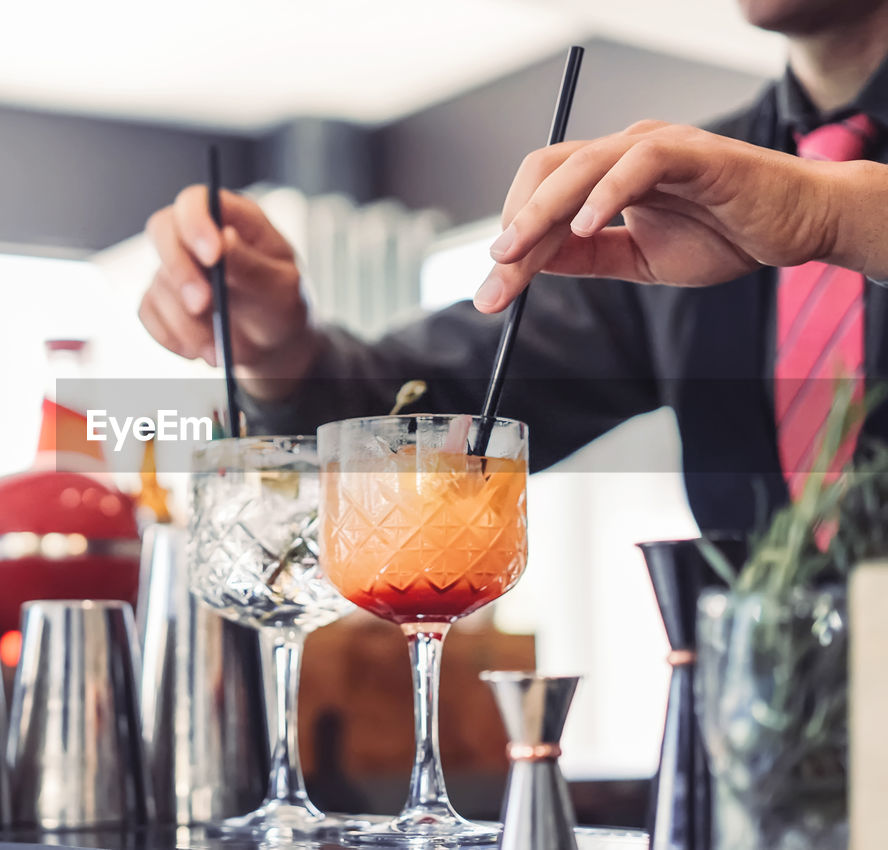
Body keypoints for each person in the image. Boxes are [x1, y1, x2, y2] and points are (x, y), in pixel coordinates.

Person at [138, 0, 888, 533]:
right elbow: (433, 411)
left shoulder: (715, 180)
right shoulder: (687, 194)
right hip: (760, 746)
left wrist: (840, 217)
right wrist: (281, 353)